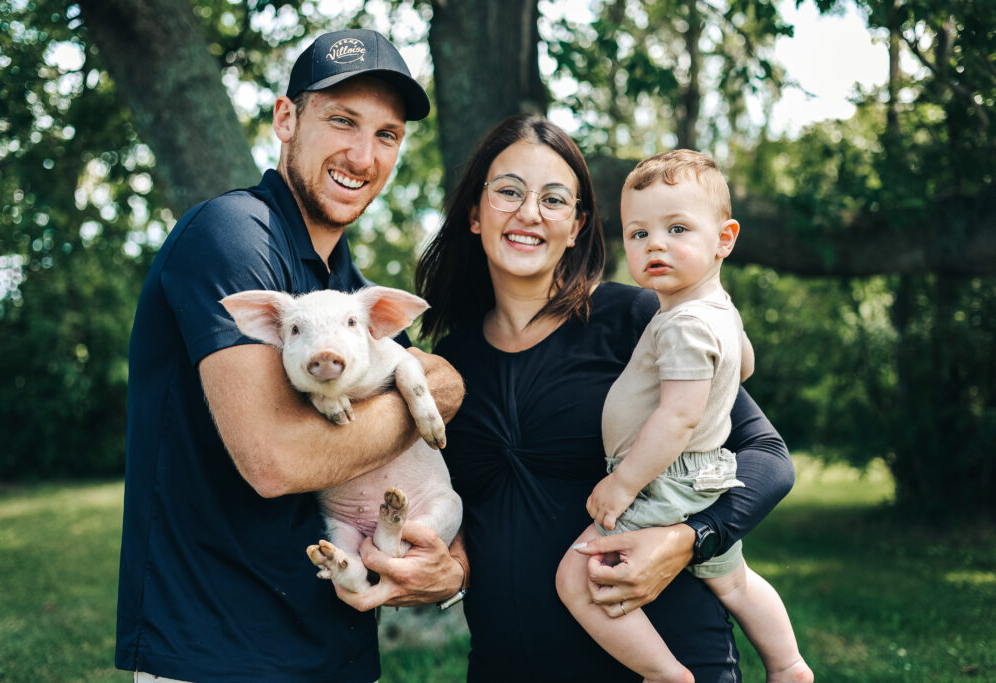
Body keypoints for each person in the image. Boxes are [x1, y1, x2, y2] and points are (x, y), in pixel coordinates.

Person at [115, 29, 467, 683]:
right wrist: (426, 398)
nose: (363, 155)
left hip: (333, 648)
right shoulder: (230, 235)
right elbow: (275, 460)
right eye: (342, 120)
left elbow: (426, 431)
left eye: (387, 134)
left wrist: (452, 565)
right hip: (219, 650)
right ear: (286, 118)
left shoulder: (344, 283)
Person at [413, 114, 797, 682]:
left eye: (553, 198)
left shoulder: (640, 319)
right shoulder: (450, 366)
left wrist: (688, 540)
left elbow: (769, 459)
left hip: (667, 658)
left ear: (577, 226)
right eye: (509, 192)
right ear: (475, 213)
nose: (528, 213)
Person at [554, 150, 813, 683]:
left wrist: (623, 485)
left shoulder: (682, 325)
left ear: (724, 239)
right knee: (733, 580)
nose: (655, 245)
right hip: (708, 473)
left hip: (663, 482)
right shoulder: (716, 308)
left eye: (677, 229)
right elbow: (745, 365)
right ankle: (787, 665)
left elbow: (677, 418)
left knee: (577, 578)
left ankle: (664, 673)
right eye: (638, 233)